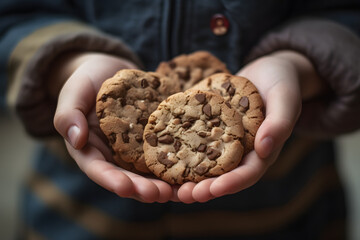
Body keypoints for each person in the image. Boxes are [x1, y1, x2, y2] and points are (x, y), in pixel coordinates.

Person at [1, 0, 360, 239]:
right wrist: (69, 64)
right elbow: (15, 14)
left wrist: (297, 64)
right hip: (77, 214)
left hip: (289, 210)